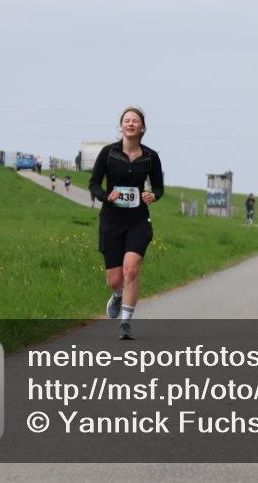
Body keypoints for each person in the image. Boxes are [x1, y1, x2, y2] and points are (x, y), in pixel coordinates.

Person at [89, 107, 164, 340]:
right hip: (112, 219)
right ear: (121, 126)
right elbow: (94, 184)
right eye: (127, 120)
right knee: (115, 279)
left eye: (135, 121)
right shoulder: (108, 153)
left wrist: (154, 195)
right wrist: (105, 196)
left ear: (142, 128)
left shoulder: (151, 156)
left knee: (131, 268)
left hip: (138, 219)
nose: (130, 124)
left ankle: (125, 323)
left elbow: (159, 187)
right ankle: (118, 295)